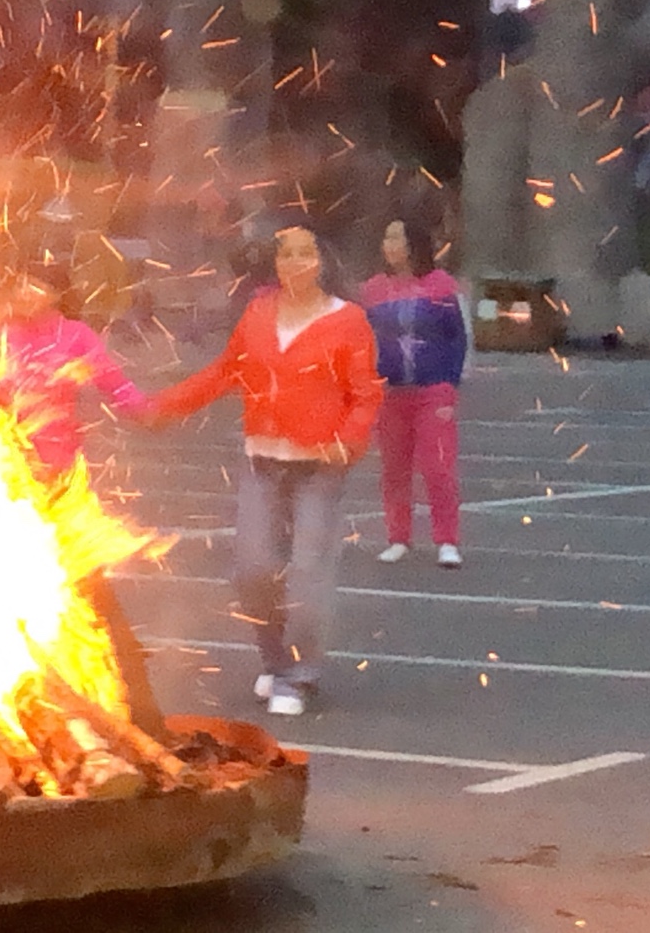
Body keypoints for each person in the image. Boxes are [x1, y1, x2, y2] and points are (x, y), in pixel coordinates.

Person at [147, 224, 384, 717]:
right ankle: (275, 662)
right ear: (275, 265)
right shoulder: (258, 313)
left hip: (320, 465)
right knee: (252, 570)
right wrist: (163, 407)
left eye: (305, 253)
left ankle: (298, 675)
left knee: (307, 575)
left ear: (321, 262)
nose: (295, 262)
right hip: (262, 460)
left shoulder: (348, 321)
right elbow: (224, 372)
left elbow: (365, 393)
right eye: (286, 255)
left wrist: (349, 438)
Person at [361, 219, 467, 569]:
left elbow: (458, 337)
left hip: (433, 390)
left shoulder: (439, 285)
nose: (389, 244)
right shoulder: (374, 290)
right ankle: (398, 537)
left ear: (414, 244)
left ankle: (447, 540)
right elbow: (361, 340)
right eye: (386, 237)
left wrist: (449, 382)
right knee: (394, 469)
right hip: (391, 392)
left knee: (438, 467)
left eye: (397, 237)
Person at [0, 261, 149, 479]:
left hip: (56, 456)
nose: (23, 293)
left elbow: (114, 382)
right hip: (2, 450)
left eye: (33, 286)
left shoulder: (76, 335)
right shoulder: (0, 332)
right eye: (19, 285)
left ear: (55, 295)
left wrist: (145, 410)